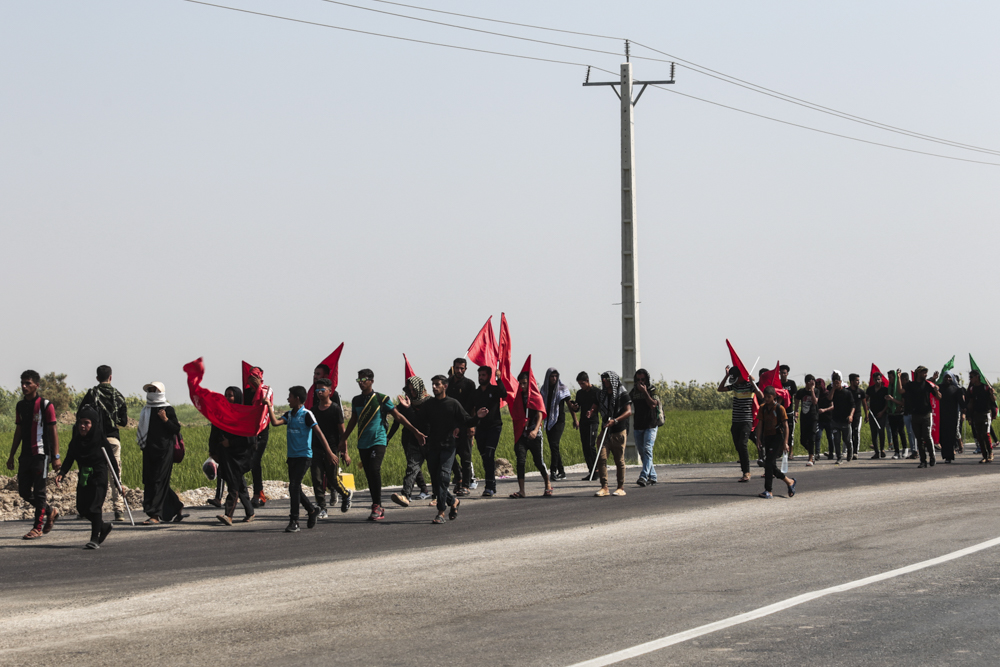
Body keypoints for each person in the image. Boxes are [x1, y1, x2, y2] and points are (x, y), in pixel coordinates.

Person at [342, 369, 425, 521]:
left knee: (374, 469)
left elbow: (398, 416)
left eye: (364, 379)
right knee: (369, 474)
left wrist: (415, 431)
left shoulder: (382, 398)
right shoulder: (356, 401)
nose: (361, 382)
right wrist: (343, 439)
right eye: (359, 380)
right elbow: (353, 421)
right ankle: (376, 504)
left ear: (372, 380)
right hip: (363, 442)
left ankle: (377, 505)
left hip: (378, 441)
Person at [265, 386, 340, 532]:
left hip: (304, 456)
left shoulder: (307, 414)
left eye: (290, 396)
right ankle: (312, 510)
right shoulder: (289, 415)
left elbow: (319, 433)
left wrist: (330, 452)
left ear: (297, 398)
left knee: (293, 486)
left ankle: (294, 521)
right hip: (292, 456)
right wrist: (269, 407)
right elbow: (275, 423)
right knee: (296, 487)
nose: (288, 399)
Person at [419, 375, 485, 523]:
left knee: (443, 478)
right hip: (433, 447)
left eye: (437, 384)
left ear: (445, 386)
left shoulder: (453, 404)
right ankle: (453, 501)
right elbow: (419, 421)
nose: (434, 387)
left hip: (448, 447)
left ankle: (441, 513)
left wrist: (477, 417)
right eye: (433, 384)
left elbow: (467, 420)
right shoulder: (429, 405)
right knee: (436, 482)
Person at [6, 370, 61, 540]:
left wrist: (56, 456)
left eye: (28, 383)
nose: (24, 386)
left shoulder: (45, 405)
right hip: (25, 455)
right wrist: (11, 455)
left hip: (41, 455)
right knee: (23, 491)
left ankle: (37, 527)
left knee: (39, 492)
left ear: (36, 385)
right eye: (22, 383)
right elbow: (19, 430)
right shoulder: (20, 406)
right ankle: (50, 511)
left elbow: (53, 431)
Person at [55, 406, 118, 549]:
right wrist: (62, 473)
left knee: (95, 507)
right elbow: (70, 457)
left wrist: (117, 482)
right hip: (84, 475)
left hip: (98, 475)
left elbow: (112, 461)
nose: (82, 426)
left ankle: (95, 538)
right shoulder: (76, 441)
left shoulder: (100, 440)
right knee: (82, 508)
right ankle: (103, 526)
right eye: (80, 423)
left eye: (86, 423)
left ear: (93, 424)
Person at [78, 365, 129, 521]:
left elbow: (81, 414)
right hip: (113, 439)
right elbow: (124, 422)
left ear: (97, 378)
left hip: (95, 441)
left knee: (92, 474)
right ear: (111, 377)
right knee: (115, 474)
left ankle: (89, 508)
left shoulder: (91, 394)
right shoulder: (118, 396)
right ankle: (119, 510)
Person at [138, 381, 185, 524]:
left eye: (154, 390)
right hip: (149, 450)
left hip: (165, 452)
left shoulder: (167, 409)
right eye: (150, 390)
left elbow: (175, 429)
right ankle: (176, 506)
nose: (152, 393)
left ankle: (155, 515)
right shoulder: (146, 410)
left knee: (158, 481)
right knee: (151, 481)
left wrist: (165, 419)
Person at [213, 387, 256, 525]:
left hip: (239, 456)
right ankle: (250, 511)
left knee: (233, 484)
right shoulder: (223, 414)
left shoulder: (243, 415)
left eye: (230, 396)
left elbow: (249, 439)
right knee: (239, 484)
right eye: (226, 395)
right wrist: (213, 451)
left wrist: (230, 443)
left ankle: (228, 515)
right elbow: (215, 433)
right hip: (225, 455)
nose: (227, 398)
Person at [310, 378, 352, 517]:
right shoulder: (313, 410)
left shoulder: (335, 409)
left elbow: (342, 433)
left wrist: (344, 453)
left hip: (332, 450)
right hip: (316, 449)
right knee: (317, 479)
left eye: (322, 390)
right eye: (317, 390)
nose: (319, 392)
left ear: (329, 391)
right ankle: (322, 508)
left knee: (332, 479)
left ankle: (346, 494)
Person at [509, 370, 553, 499]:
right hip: (521, 435)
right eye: (520, 384)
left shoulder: (535, 396)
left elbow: (540, 413)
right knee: (520, 461)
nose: (522, 386)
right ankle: (522, 490)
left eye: (524, 383)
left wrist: (535, 430)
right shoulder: (518, 398)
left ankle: (548, 484)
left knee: (538, 461)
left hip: (534, 434)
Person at [388, 376, 432, 506]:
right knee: (411, 468)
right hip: (413, 440)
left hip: (428, 441)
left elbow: (421, 423)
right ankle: (405, 495)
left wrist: (409, 409)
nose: (412, 393)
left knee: (435, 470)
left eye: (414, 390)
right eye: (410, 390)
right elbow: (398, 420)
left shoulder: (429, 402)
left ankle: (439, 496)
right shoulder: (407, 403)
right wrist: (388, 436)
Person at [717, 366, 762, 482]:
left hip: (746, 421)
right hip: (735, 421)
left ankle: (746, 472)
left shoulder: (749, 386)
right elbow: (720, 389)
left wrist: (753, 383)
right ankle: (745, 470)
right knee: (738, 447)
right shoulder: (735, 386)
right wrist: (726, 376)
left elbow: (761, 395)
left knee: (743, 445)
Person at [755, 386, 797, 499]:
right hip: (766, 437)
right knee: (771, 465)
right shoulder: (763, 408)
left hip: (777, 438)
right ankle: (789, 482)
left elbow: (786, 426)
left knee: (768, 463)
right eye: (765, 396)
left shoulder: (779, 408)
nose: (767, 399)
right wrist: (758, 438)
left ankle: (768, 490)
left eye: (769, 397)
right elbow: (760, 424)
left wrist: (786, 442)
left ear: (774, 397)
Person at [595, 371, 632, 497]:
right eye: (603, 379)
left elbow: (628, 411)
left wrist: (615, 420)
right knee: (602, 458)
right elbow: (596, 405)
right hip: (605, 430)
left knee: (619, 460)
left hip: (618, 431)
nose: (604, 381)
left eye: (606, 378)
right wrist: (591, 411)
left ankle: (620, 487)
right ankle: (604, 487)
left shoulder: (622, 393)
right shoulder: (602, 395)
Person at [472, 366, 507, 497]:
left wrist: (499, 378)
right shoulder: (476, 393)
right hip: (480, 428)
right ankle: (492, 483)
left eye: (483, 375)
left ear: (489, 376)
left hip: (494, 427)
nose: (481, 377)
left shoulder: (494, 390)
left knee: (489, 454)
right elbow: (472, 409)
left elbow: (504, 393)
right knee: (485, 458)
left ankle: (489, 486)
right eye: (480, 375)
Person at [446, 358, 477, 496]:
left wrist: (472, 425)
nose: (459, 371)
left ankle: (466, 485)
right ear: (453, 368)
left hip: (465, 424)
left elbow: (473, 406)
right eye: (457, 368)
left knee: (465, 457)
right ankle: (458, 478)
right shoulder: (448, 384)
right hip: (450, 425)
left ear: (465, 369)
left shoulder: (469, 384)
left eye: (462, 368)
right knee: (449, 455)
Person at [244, 367, 274, 508]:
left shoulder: (266, 390)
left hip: (262, 430)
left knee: (255, 460)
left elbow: (265, 405)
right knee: (248, 461)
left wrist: (258, 388)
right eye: (251, 375)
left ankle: (258, 493)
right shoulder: (245, 393)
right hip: (249, 430)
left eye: (255, 375)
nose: (253, 378)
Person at [901, 366, 941, 468]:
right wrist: (898, 377)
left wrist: (936, 390)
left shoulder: (928, 385)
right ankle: (923, 460)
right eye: (924, 373)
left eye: (926, 373)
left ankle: (932, 457)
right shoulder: (911, 385)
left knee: (927, 436)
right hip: (915, 415)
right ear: (918, 373)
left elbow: (939, 397)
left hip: (926, 414)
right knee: (919, 438)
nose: (925, 375)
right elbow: (901, 391)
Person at [630, 368, 660, 486]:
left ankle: (643, 476)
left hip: (650, 425)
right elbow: (626, 402)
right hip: (638, 425)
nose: (640, 382)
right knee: (643, 453)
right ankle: (652, 476)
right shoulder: (634, 392)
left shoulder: (652, 390)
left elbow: (653, 404)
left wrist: (645, 392)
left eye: (643, 379)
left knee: (648, 449)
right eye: (638, 380)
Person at [540, 368, 571, 481]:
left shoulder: (562, 389)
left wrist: (575, 419)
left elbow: (569, 403)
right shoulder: (544, 390)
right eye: (552, 376)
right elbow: (540, 405)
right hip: (548, 421)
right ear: (548, 377)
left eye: (555, 376)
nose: (554, 378)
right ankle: (562, 471)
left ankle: (553, 471)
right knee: (554, 447)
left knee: (554, 444)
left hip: (559, 420)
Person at [569, 372, 600, 480]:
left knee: (591, 445)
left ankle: (597, 469)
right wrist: (574, 407)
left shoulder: (596, 392)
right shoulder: (580, 393)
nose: (581, 386)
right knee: (585, 447)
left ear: (587, 380)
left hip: (593, 421)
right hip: (583, 422)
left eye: (582, 383)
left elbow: (600, 406)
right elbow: (577, 408)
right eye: (579, 384)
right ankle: (591, 470)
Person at [966, 370, 997, 463]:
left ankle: (990, 453)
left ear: (977, 377)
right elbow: (970, 403)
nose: (970, 379)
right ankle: (984, 456)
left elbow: (993, 400)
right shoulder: (972, 389)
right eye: (969, 377)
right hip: (976, 414)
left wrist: (992, 394)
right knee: (979, 436)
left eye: (971, 377)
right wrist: (969, 415)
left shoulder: (986, 387)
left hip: (985, 413)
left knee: (986, 434)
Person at [825, 373, 854, 464]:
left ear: (841, 382)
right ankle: (839, 457)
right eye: (834, 382)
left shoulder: (847, 392)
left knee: (846, 439)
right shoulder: (832, 392)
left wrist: (851, 415)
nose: (836, 384)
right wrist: (833, 388)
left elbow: (853, 405)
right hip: (835, 420)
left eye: (838, 382)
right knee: (836, 439)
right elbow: (829, 399)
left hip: (845, 420)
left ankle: (850, 450)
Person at [937, 371, 966, 463]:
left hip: (952, 417)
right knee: (942, 437)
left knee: (950, 437)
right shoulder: (939, 388)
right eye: (946, 377)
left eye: (949, 377)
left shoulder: (956, 389)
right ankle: (945, 454)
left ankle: (949, 456)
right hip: (941, 416)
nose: (947, 379)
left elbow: (962, 403)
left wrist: (965, 410)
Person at [794, 375, 819, 466]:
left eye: (813, 381)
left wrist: (812, 390)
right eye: (810, 381)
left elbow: (815, 402)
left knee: (812, 438)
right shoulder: (801, 392)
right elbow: (796, 401)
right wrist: (796, 412)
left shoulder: (816, 391)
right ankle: (811, 452)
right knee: (803, 440)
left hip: (813, 417)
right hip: (804, 417)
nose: (812, 383)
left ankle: (811, 458)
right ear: (806, 382)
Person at [865, 372, 889, 459]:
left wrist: (882, 412)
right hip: (873, 414)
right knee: (874, 433)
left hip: (882, 414)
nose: (877, 381)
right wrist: (866, 405)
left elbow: (887, 403)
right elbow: (865, 399)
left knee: (881, 431)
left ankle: (882, 449)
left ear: (881, 379)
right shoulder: (870, 389)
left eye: (879, 379)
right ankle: (876, 451)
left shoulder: (885, 390)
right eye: (876, 379)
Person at [885, 370, 907, 459]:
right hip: (891, 413)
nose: (889, 379)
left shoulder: (900, 389)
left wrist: (892, 399)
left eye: (890, 377)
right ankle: (896, 452)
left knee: (901, 431)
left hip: (900, 413)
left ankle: (905, 449)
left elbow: (902, 403)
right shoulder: (889, 388)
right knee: (893, 433)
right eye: (888, 377)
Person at [847, 374, 866, 461]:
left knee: (856, 432)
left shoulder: (861, 392)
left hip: (858, 415)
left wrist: (867, 414)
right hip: (848, 415)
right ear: (852, 381)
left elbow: (864, 403)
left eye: (858, 380)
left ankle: (855, 452)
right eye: (856, 380)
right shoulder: (847, 391)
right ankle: (849, 451)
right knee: (848, 434)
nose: (858, 382)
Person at [779, 365, 798, 449]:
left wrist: (796, 411)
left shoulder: (791, 383)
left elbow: (795, 397)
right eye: (781, 373)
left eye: (784, 373)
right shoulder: (777, 383)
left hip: (789, 411)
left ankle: (791, 451)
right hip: (779, 411)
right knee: (779, 431)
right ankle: (780, 450)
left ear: (787, 374)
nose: (783, 374)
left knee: (790, 432)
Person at [815, 377, 834, 460]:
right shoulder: (816, 394)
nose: (819, 387)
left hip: (828, 418)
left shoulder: (827, 394)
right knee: (818, 436)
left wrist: (824, 410)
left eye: (820, 385)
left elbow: (832, 406)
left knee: (830, 437)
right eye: (817, 385)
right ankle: (817, 453)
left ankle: (831, 453)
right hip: (819, 419)